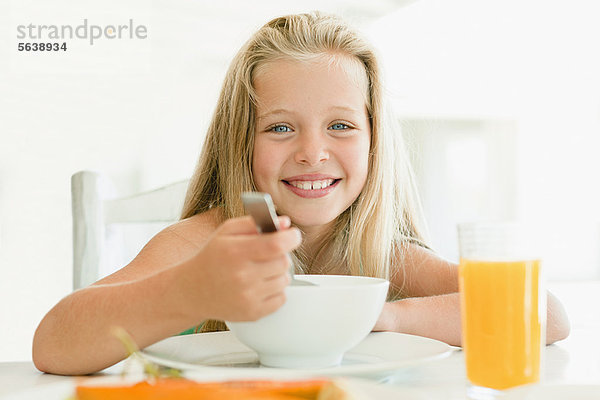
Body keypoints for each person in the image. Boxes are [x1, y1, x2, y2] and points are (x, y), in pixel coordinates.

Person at [32, 11, 570, 376]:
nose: (313, 153)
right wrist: (192, 291)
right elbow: (52, 343)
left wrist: (383, 315)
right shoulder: (207, 244)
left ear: (374, 143)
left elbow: (544, 314)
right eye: (281, 128)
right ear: (241, 142)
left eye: (340, 126)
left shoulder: (382, 255)